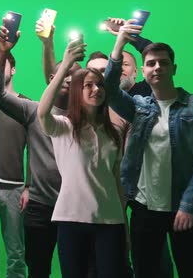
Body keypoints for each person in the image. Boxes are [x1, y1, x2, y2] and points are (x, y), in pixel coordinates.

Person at [105, 20, 193, 278]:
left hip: (185, 211)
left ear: (174, 68)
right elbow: (109, 90)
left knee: (192, 272)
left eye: (163, 63)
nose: (157, 67)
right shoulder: (138, 106)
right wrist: (121, 40)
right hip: (145, 211)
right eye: (151, 64)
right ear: (143, 71)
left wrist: (190, 205)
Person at [0, 19, 80, 278]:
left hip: (77, 206)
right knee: (38, 269)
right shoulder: (33, 111)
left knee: (79, 268)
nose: (68, 79)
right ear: (53, 77)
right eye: (63, 73)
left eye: (75, 75)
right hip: (41, 206)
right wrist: (4, 51)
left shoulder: (88, 118)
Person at [35, 34, 127, 277]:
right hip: (70, 219)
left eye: (99, 85)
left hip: (110, 222)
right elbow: (42, 112)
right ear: (77, 91)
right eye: (88, 85)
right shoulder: (63, 127)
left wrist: (124, 224)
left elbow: (116, 181)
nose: (96, 89)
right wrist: (65, 64)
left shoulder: (113, 133)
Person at [0, 47, 29, 278]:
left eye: (1, 64)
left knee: (16, 253)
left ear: (13, 68)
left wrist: (29, 187)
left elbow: (36, 150)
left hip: (15, 190)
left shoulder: (26, 106)